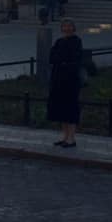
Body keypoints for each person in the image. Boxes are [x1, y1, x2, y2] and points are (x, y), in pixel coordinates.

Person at [47, 19, 83, 148]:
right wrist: (61, 60)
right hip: (58, 79)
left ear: (73, 28)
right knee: (61, 109)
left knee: (70, 108)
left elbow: (74, 59)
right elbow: (52, 57)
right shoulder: (59, 41)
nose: (67, 29)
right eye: (65, 26)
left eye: (69, 26)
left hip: (71, 80)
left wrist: (62, 61)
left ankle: (71, 139)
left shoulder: (76, 41)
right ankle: (64, 136)